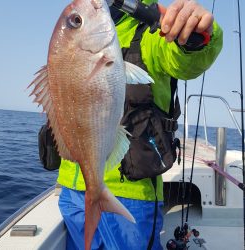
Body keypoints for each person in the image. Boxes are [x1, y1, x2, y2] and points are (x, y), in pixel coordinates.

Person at [56, 0, 223, 249]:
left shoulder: (153, 31)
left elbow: (186, 60)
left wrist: (198, 35)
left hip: (131, 194)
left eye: (77, 21)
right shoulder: (76, 38)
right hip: (71, 191)